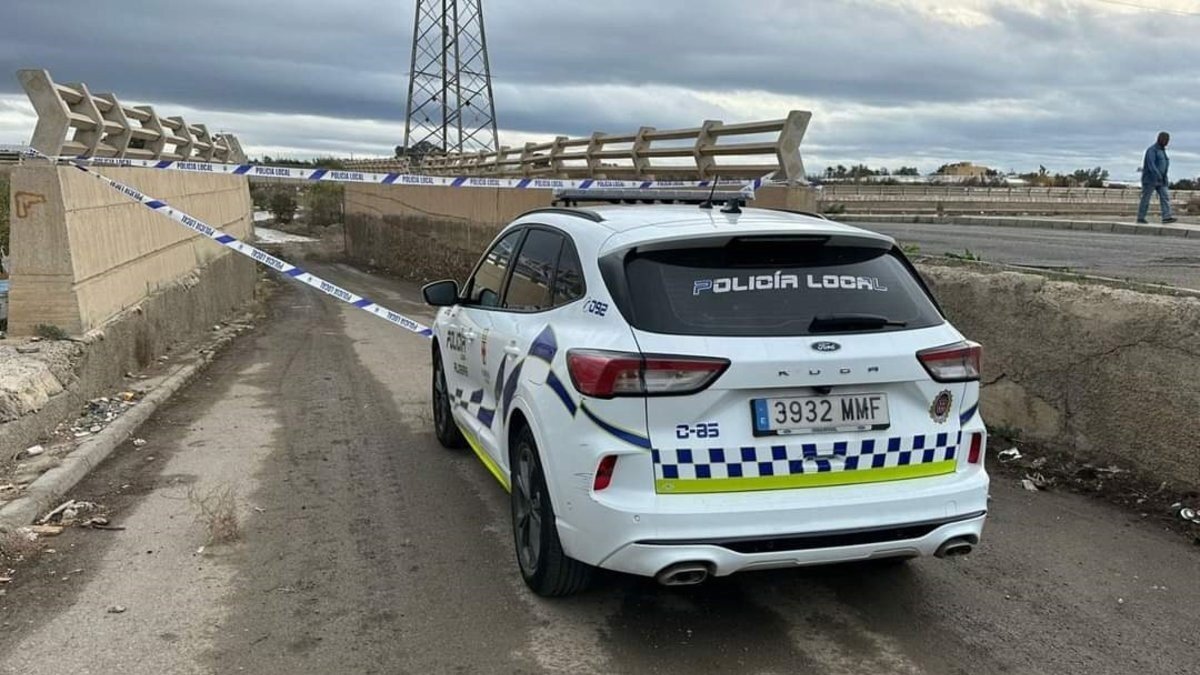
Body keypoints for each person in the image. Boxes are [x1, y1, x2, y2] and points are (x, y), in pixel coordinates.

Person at [1138, 131, 1177, 224]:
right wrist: (1158, 175)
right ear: (1160, 139)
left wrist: (1164, 177)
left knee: (1165, 197)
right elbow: (1151, 165)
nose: (1167, 142)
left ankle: (1166, 217)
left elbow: (1165, 165)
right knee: (1146, 198)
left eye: (1168, 140)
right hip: (1150, 179)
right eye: (1165, 140)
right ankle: (1141, 217)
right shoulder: (1151, 150)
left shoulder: (1162, 151)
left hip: (1162, 180)